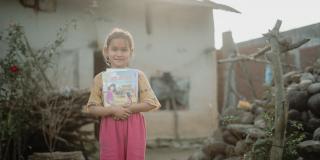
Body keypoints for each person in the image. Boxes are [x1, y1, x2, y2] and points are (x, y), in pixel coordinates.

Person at [86, 28, 161, 160]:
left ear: (131, 52)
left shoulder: (138, 76)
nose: (119, 53)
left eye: (124, 50)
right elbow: (92, 108)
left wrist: (129, 108)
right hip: (110, 125)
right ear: (106, 51)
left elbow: (151, 102)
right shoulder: (100, 79)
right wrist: (113, 110)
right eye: (114, 49)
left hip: (134, 125)